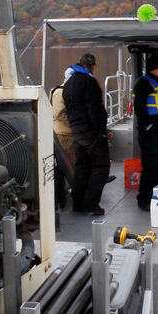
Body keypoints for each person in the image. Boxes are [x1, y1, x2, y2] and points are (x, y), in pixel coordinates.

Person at [62, 53, 111, 216]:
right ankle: (91, 204)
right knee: (101, 165)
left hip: (76, 129)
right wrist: (101, 131)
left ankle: (78, 204)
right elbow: (94, 109)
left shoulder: (68, 84)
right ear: (90, 66)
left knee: (82, 165)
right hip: (89, 128)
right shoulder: (89, 81)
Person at [133, 53, 158, 211]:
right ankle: (143, 199)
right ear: (153, 68)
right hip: (150, 131)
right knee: (151, 165)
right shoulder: (144, 83)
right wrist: (147, 125)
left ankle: (155, 194)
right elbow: (139, 108)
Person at [50, 68, 75, 210]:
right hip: (64, 133)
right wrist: (74, 125)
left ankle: (68, 193)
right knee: (69, 163)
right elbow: (59, 114)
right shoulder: (60, 92)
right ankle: (73, 192)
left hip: (66, 133)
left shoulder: (64, 90)